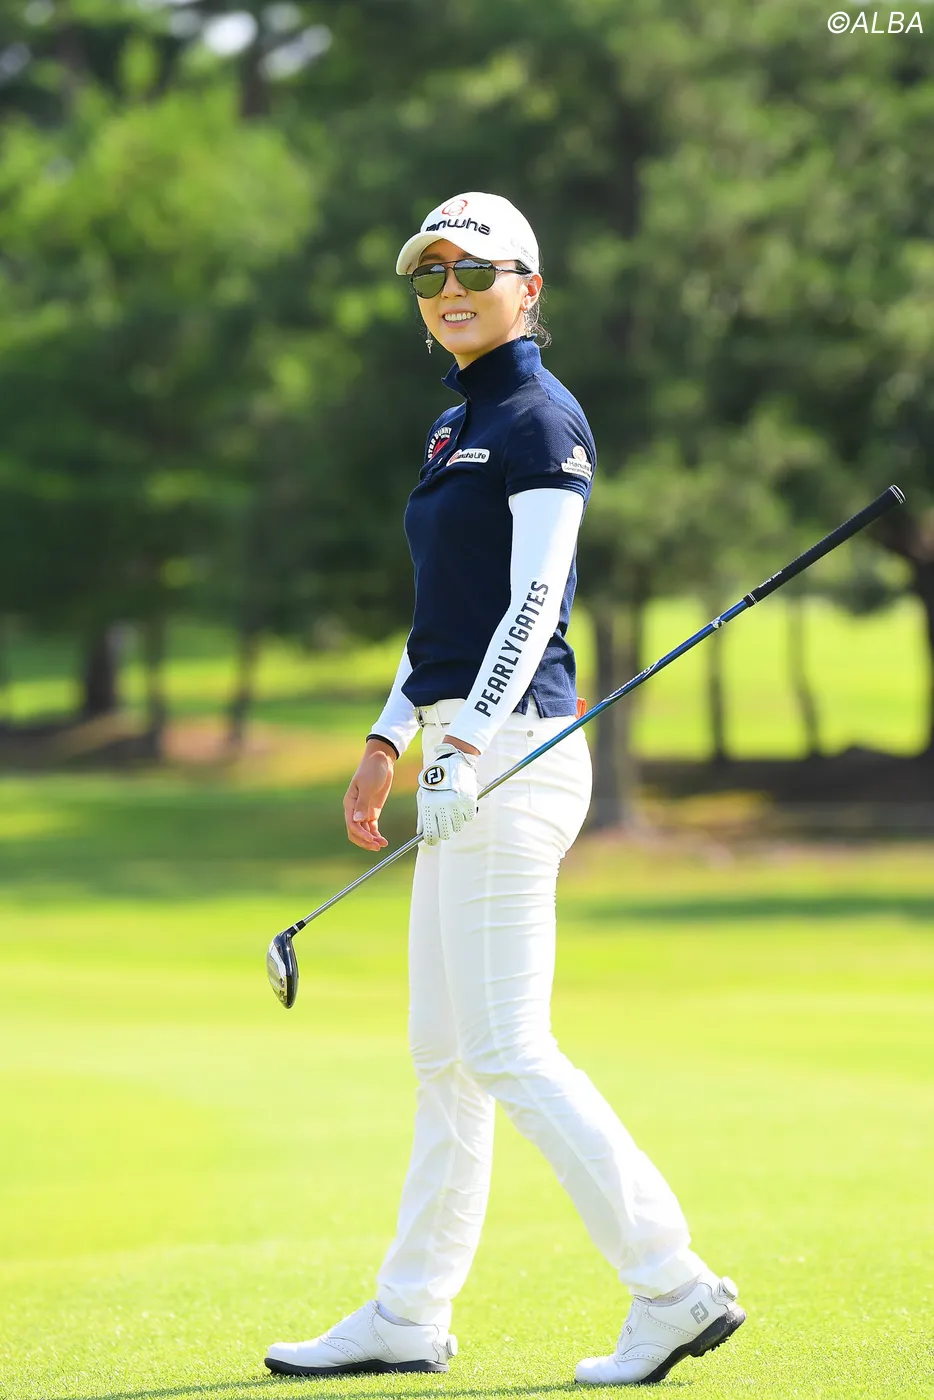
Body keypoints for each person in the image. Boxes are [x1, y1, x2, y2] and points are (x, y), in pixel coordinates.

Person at [264, 192, 744, 1386]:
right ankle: (408, 1311)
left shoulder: (539, 417)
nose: (450, 291)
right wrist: (390, 738)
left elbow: (534, 601)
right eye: (430, 276)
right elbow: (444, 617)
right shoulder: (454, 426)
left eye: (475, 271)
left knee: (507, 1046)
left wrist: (465, 744)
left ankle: (674, 1285)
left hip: (513, 753)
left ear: (529, 287)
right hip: (460, 750)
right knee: (444, 1055)